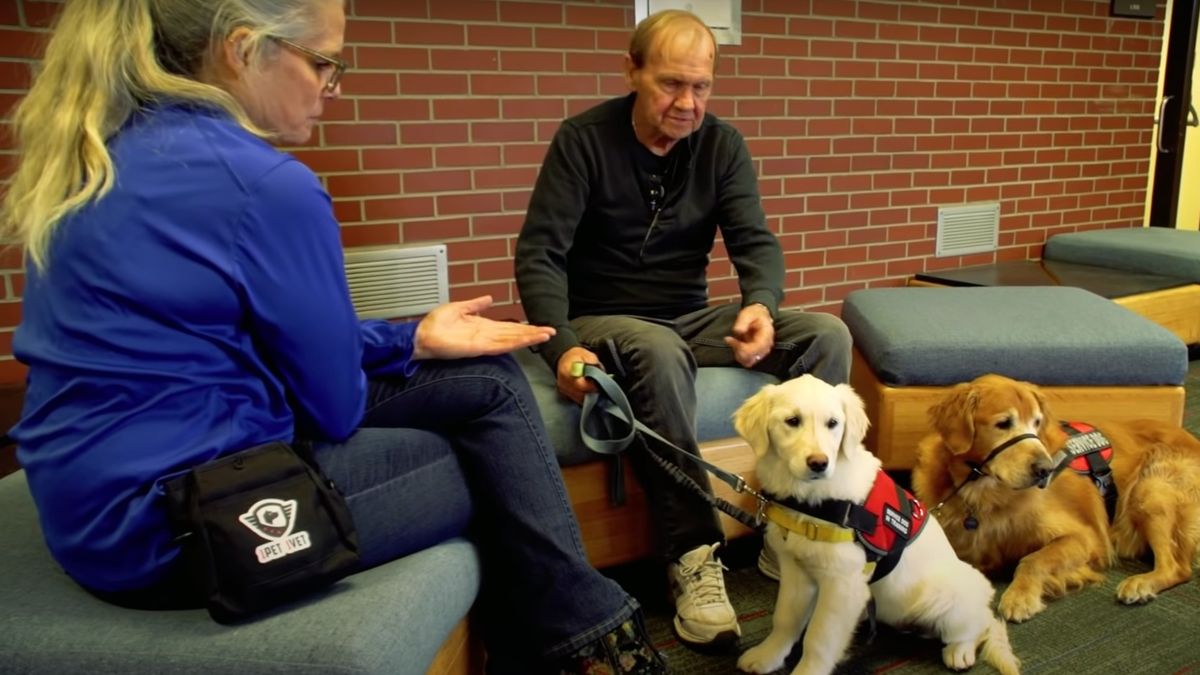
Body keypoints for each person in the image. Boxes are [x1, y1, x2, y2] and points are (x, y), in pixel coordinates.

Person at [1, 2, 667, 673]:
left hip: (85, 509)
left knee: (488, 383)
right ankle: (587, 641)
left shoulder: (102, 150)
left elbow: (248, 333)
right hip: (177, 532)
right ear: (243, 49)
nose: (333, 85)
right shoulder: (266, 186)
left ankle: (568, 634)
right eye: (323, 62)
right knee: (491, 460)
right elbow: (334, 409)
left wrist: (411, 339)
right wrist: (397, 347)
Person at [515, 9, 853, 649]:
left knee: (823, 334)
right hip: (603, 316)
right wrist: (561, 345)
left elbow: (755, 240)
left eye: (701, 86)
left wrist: (760, 301)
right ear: (633, 72)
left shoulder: (722, 145)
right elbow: (540, 255)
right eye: (672, 84)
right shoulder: (582, 140)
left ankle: (796, 522)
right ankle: (695, 556)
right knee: (657, 348)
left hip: (689, 313)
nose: (687, 102)